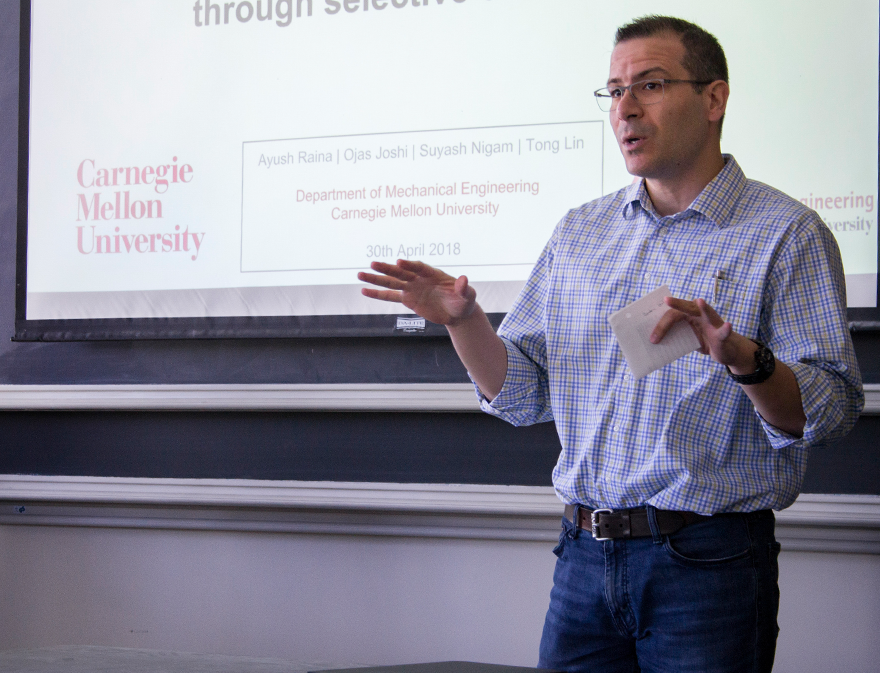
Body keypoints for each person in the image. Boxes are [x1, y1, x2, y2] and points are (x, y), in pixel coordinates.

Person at [358, 15, 864, 673]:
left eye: (650, 85)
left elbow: (828, 410)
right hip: (582, 557)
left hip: (707, 562)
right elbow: (521, 391)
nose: (625, 108)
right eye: (613, 91)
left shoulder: (785, 233)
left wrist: (746, 359)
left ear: (714, 99)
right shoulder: (580, 233)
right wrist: (463, 321)